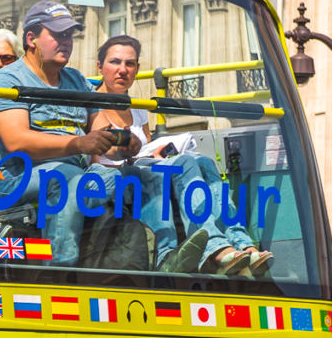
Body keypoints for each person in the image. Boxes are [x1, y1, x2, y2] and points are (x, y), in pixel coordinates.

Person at [92, 35, 265, 277]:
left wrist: (154, 153)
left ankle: (240, 240)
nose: (123, 70)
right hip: (111, 175)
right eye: (115, 62)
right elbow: (104, 148)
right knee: (183, 162)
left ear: (137, 68)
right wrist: (130, 151)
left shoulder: (138, 106)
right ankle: (214, 247)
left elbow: (145, 147)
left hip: (141, 167)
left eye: (130, 64)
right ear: (100, 67)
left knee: (203, 161)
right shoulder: (92, 102)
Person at [0, 1, 124, 264]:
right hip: (9, 179)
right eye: (57, 34)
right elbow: (17, 141)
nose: (66, 41)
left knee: (133, 176)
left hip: (75, 173)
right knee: (64, 177)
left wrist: (123, 142)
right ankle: (59, 268)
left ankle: (174, 258)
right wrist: (80, 143)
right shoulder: (6, 81)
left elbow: (102, 129)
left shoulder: (77, 80)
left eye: (69, 35)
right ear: (31, 39)